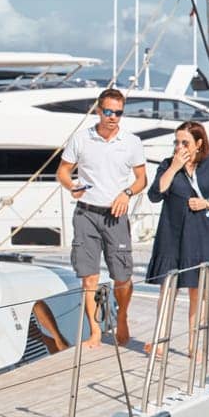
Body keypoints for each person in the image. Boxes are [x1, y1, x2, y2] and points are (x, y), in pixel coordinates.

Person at [56, 88, 146, 348]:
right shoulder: (81, 139)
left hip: (115, 215)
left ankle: (123, 316)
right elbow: (62, 172)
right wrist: (71, 186)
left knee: (122, 276)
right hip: (86, 213)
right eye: (108, 112)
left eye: (118, 113)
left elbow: (142, 180)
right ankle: (95, 330)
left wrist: (126, 193)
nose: (113, 117)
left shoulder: (131, 142)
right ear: (98, 110)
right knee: (89, 277)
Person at [145, 121, 209, 359]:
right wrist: (174, 167)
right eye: (176, 142)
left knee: (198, 291)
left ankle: (196, 345)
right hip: (171, 236)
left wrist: (207, 203)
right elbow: (154, 195)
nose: (179, 146)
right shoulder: (167, 164)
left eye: (185, 142)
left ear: (199, 143)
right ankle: (160, 341)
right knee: (168, 289)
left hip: (200, 236)